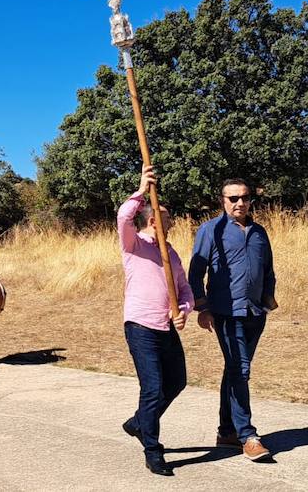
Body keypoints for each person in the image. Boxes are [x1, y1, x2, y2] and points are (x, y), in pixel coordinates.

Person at [189, 177, 278, 462]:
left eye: (245, 197)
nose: (240, 203)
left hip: (255, 313)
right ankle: (247, 435)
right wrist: (202, 307)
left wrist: (267, 298)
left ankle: (226, 431)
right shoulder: (210, 231)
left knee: (235, 370)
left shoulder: (259, 231)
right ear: (222, 201)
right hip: (226, 313)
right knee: (240, 370)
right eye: (233, 198)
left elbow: (268, 270)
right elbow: (195, 273)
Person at [117, 166, 195, 477]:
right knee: (152, 388)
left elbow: (184, 287)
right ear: (152, 221)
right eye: (168, 220)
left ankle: (139, 423)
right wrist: (140, 189)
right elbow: (124, 217)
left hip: (166, 327)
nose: (173, 224)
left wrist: (185, 309)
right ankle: (153, 449)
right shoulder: (133, 244)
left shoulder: (172, 252)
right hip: (140, 326)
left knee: (177, 381)